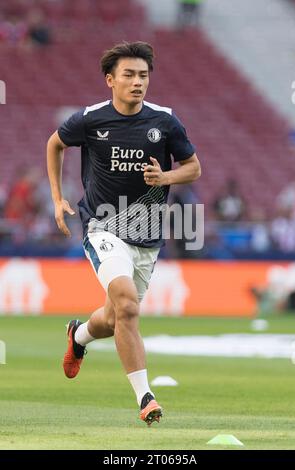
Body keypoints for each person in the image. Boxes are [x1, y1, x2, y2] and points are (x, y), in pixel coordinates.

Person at [47, 41, 201, 425]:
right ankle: (145, 397)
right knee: (128, 305)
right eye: (129, 75)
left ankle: (79, 335)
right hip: (102, 225)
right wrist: (56, 197)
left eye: (144, 76)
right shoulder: (90, 119)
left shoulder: (164, 121)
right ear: (110, 80)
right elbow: (55, 144)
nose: (138, 82)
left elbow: (194, 167)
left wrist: (165, 176)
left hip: (147, 235)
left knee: (117, 317)